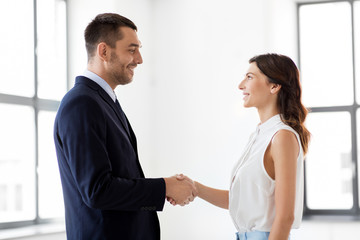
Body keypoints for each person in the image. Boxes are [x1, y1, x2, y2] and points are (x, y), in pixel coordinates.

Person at [53, 13, 197, 240]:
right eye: (131, 49)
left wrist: (163, 189)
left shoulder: (104, 101)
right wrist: (164, 188)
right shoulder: (81, 103)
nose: (139, 59)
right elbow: (97, 190)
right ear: (104, 51)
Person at [173, 53, 310, 240]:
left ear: (274, 86)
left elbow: (285, 217)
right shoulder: (260, 135)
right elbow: (240, 200)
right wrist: (195, 188)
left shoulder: (282, 137)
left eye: (250, 77)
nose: (240, 85)